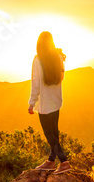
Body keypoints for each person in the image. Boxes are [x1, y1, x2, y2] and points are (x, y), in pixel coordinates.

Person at [28, 31, 71, 174]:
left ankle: (64, 161)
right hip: (56, 101)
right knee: (54, 132)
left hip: (45, 103)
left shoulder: (38, 59)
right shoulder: (58, 57)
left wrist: (31, 103)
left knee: (50, 134)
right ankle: (51, 161)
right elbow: (62, 77)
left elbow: (36, 83)